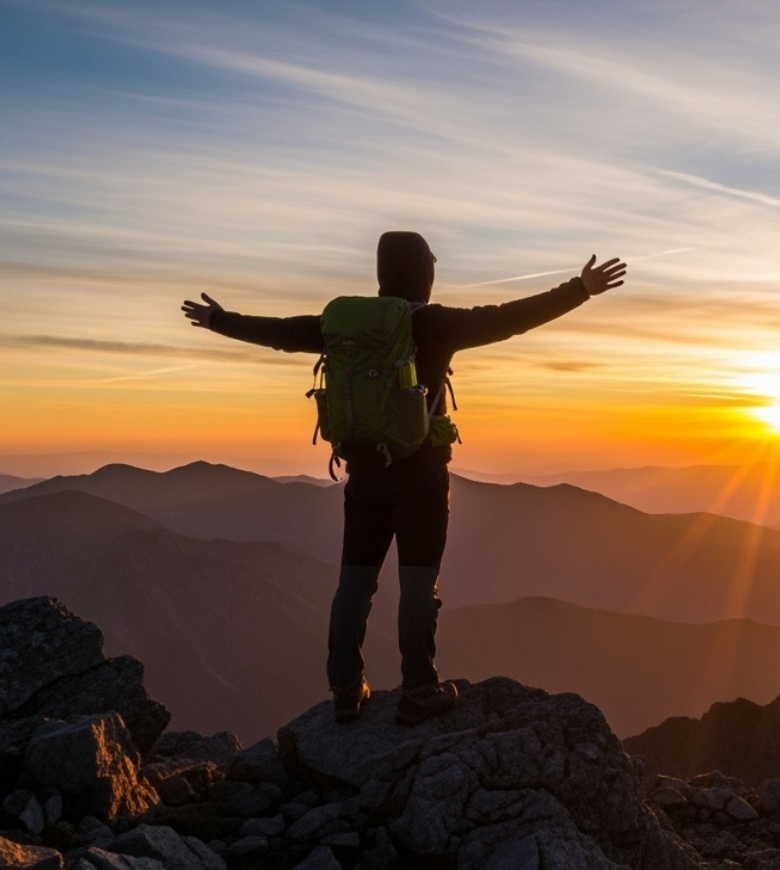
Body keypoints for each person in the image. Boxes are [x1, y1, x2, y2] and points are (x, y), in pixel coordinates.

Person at [182, 231, 625, 724]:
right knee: (418, 585)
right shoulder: (434, 323)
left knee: (355, 584)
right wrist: (579, 290)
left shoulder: (343, 327)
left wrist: (219, 321)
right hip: (422, 474)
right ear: (424, 274)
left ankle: (346, 690)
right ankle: (419, 689)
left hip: (364, 473)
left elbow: (281, 333)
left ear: (382, 272)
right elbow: (508, 319)